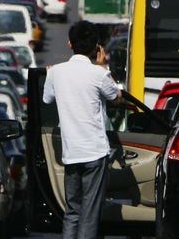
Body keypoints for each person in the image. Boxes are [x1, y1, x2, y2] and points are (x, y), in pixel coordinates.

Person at [42, 21, 123, 239]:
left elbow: (47, 98)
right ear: (97, 46)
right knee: (90, 213)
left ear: (69, 43)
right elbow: (117, 97)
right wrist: (103, 65)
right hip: (95, 152)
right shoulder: (99, 74)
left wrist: (51, 74)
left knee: (72, 211)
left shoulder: (56, 73)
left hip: (70, 153)